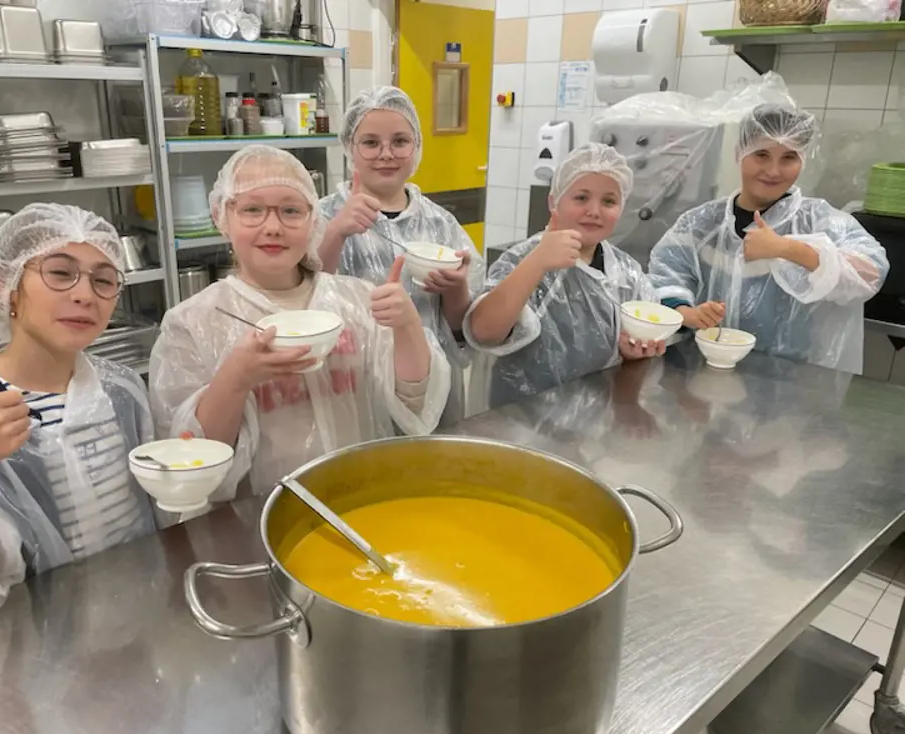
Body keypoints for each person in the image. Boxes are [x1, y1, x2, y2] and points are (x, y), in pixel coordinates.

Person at [0, 203, 157, 629]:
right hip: (31, 642)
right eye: (60, 272)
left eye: (103, 280)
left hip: (143, 620)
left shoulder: (122, 389)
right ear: (5, 285)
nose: (85, 295)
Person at [148, 146, 449, 498]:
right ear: (221, 217)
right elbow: (194, 464)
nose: (272, 227)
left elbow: (415, 404)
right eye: (252, 210)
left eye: (291, 210)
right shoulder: (193, 322)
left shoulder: (356, 300)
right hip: (259, 513)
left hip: (360, 498)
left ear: (313, 220)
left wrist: (407, 326)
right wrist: (236, 378)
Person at [648, 103, 888, 374]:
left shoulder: (819, 221)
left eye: (789, 157)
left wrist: (788, 249)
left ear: (803, 160)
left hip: (793, 380)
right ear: (740, 153)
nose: (774, 171)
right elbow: (665, 278)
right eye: (761, 154)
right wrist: (689, 313)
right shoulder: (700, 224)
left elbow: (871, 275)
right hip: (705, 373)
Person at [317, 86, 484, 423]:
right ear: (349, 146)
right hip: (354, 384)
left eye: (400, 141)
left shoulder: (440, 223)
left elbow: (461, 329)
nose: (386, 154)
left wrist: (457, 288)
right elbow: (304, 298)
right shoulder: (320, 216)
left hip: (433, 385)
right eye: (370, 142)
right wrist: (336, 233)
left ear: (416, 146)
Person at [464, 143, 665, 409]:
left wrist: (632, 351)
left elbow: (638, 336)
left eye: (609, 201)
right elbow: (484, 332)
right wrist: (537, 263)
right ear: (554, 202)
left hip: (597, 420)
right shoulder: (523, 258)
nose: (594, 211)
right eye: (581, 198)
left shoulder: (626, 272)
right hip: (520, 419)